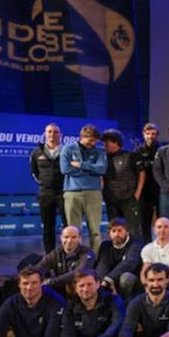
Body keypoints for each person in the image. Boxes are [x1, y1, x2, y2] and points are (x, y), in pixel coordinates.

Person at [60, 124, 107, 253]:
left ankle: (94, 259)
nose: (92, 143)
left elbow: (102, 169)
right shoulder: (68, 149)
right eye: (90, 140)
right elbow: (65, 169)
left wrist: (81, 165)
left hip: (93, 193)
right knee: (73, 230)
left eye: (95, 141)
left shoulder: (99, 151)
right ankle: (74, 258)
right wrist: (90, 170)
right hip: (72, 193)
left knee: (95, 231)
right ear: (82, 137)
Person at [101, 128, 145, 240]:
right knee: (115, 230)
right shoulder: (103, 158)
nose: (104, 144)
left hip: (129, 198)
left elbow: (141, 174)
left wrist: (137, 194)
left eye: (107, 141)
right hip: (111, 199)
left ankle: (134, 255)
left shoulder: (130, 156)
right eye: (103, 142)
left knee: (133, 230)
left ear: (116, 142)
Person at [29, 123, 66, 253]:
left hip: (64, 194)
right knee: (48, 227)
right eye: (49, 132)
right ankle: (50, 256)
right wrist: (45, 184)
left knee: (68, 227)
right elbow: (34, 172)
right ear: (45, 134)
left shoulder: (67, 150)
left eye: (55, 132)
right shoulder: (36, 152)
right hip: (45, 194)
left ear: (60, 135)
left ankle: (69, 257)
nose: (52, 135)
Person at [95, 217, 143, 300]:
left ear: (127, 232)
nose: (116, 234)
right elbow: (102, 265)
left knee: (126, 277)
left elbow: (129, 263)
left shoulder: (135, 243)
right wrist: (104, 280)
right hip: (110, 280)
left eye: (120, 230)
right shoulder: (105, 245)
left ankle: (125, 302)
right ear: (109, 234)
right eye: (113, 231)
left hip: (130, 279)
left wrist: (109, 278)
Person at [36, 225, 95, 289]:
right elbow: (40, 267)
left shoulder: (87, 253)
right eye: (66, 237)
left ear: (79, 238)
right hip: (60, 288)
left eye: (74, 237)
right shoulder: (56, 253)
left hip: (80, 290)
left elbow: (79, 273)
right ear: (61, 238)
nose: (69, 241)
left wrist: (50, 282)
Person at [133, 122, 161, 243]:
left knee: (162, 221)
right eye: (148, 133)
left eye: (153, 134)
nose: (150, 136)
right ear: (144, 134)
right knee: (144, 222)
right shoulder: (137, 151)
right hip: (144, 192)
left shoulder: (163, 150)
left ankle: (163, 245)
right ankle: (146, 247)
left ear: (157, 135)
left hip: (161, 191)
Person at [139, 217, 169, 285]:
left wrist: (164, 283)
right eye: (159, 227)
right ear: (154, 230)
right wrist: (146, 284)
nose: (162, 230)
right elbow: (146, 268)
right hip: (153, 282)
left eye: (166, 227)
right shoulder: (147, 249)